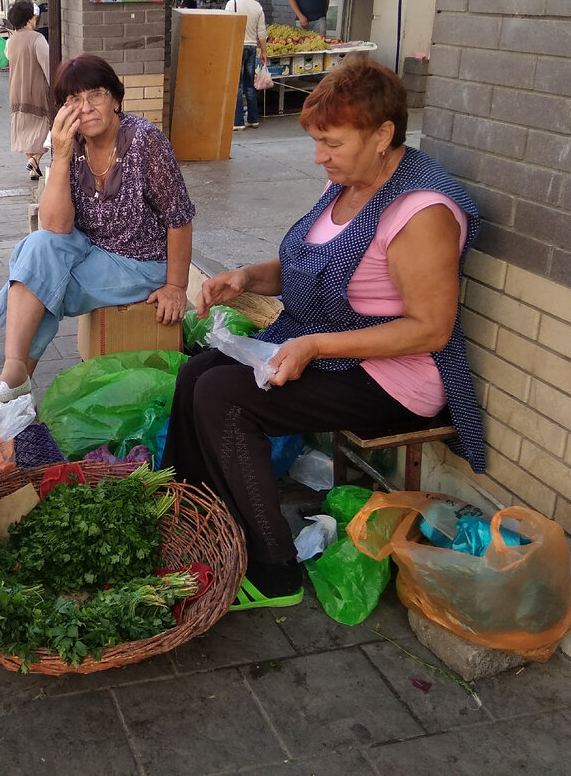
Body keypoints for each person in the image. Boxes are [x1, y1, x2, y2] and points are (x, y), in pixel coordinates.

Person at [162, 59, 485, 610]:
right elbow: (308, 267)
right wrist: (245, 278)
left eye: (331, 142)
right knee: (198, 372)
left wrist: (315, 345)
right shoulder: (352, 183)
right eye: (317, 142)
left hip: (395, 379)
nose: (318, 156)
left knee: (226, 398)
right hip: (335, 350)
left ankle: (273, 569)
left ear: (383, 135)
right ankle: (192, 516)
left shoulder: (421, 209)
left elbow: (431, 329)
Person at [0, 54, 194, 402]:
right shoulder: (72, 142)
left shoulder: (145, 141)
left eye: (96, 94)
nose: (87, 108)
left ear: (115, 99)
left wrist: (176, 285)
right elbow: (55, 227)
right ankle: (13, 373)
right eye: (73, 100)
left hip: (141, 261)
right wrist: (62, 155)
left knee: (42, 280)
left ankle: (15, 381)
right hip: (89, 248)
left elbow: (179, 217)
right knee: (37, 248)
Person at [5, 0, 50, 181]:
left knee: (24, 130)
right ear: (30, 18)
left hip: (17, 89)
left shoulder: (11, 41)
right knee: (44, 129)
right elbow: (48, 64)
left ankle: (33, 167)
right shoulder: (37, 39)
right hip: (36, 89)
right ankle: (35, 160)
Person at [225, 0, 267, 130]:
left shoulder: (232, 4)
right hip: (251, 48)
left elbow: (227, 27)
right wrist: (264, 52)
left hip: (237, 47)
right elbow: (261, 32)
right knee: (250, 85)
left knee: (237, 85)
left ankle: (237, 122)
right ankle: (253, 119)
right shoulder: (258, 7)